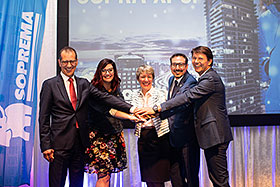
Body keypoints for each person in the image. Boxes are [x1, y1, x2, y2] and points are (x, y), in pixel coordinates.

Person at [137, 46, 233, 187]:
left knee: (218, 179)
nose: (196, 61)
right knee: (212, 177)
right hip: (204, 136)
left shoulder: (209, 79)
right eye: (194, 58)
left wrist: (157, 109)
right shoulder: (196, 78)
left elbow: (186, 97)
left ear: (210, 61)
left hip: (214, 135)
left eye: (200, 58)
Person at [39, 47, 134, 187]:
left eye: (72, 61)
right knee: (57, 183)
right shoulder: (50, 85)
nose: (69, 65)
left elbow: (105, 98)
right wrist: (46, 145)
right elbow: (44, 117)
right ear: (59, 62)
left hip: (81, 143)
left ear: (77, 62)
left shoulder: (83, 84)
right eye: (65, 61)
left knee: (77, 183)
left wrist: (132, 109)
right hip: (59, 144)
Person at [84, 58, 139, 187]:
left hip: (115, 135)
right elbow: (110, 110)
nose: (108, 73)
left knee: (108, 176)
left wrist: (134, 114)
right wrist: (131, 116)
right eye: (104, 70)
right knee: (103, 175)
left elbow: (120, 105)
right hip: (100, 137)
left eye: (110, 70)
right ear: (99, 72)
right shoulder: (94, 90)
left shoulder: (116, 87)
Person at [160, 53, 200, 187]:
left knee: (190, 175)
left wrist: (157, 111)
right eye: (174, 65)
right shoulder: (171, 80)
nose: (177, 68)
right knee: (175, 173)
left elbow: (181, 103)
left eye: (181, 65)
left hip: (187, 138)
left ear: (187, 66)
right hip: (173, 137)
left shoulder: (190, 82)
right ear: (170, 66)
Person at [130, 65, 170, 187]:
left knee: (158, 178)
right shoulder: (134, 95)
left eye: (149, 77)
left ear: (152, 78)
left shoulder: (161, 93)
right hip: (143, 137)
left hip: (159, 137)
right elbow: (133, 114)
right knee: (148, 178)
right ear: (138, 79)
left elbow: (160, 112)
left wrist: (146, 112)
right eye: (143, 77)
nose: (146, 80)